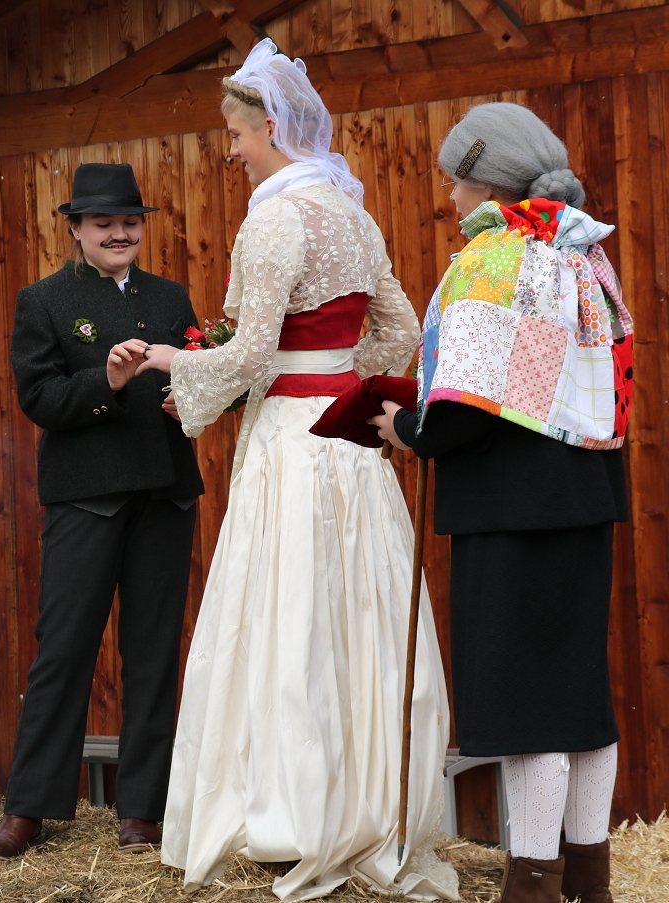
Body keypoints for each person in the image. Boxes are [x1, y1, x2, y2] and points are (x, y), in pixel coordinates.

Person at [138, 40, 457, 902]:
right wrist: (345, 382)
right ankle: (367, 803)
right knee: (357, 613)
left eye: (237, 133)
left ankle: (290, 813)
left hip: (291, 441)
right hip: (348, 444)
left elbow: (248, 353)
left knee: (289, 613)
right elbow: (400, 332)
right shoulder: (353, 215)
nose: (232, 149)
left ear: (272, 128)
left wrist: (173, 363)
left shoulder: (275, 221)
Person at [371, 102, 631, 903]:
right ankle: (587, 881)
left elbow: (470, 407)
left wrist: (406, 427)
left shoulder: (494, 256)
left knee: (528, 710)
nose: (450, 197)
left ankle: (533, 884)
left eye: (454, 180)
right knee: (580, 702)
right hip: (584, 497)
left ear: (484, 179)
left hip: (511, 510)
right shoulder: (582, 250)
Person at [0, 163, 204, 859]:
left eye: (129, 222)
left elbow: (201, 371)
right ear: (75, 228)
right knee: (64, 651)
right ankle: (29, 809)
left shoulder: (171, 296)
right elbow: (39, 399)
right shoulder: (42, 300)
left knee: (153, 655)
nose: (119, 233)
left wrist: (190, 399)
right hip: (85, 498)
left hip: (165, 493)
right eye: (104, 223)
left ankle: (143, 810)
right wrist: (105, 382)